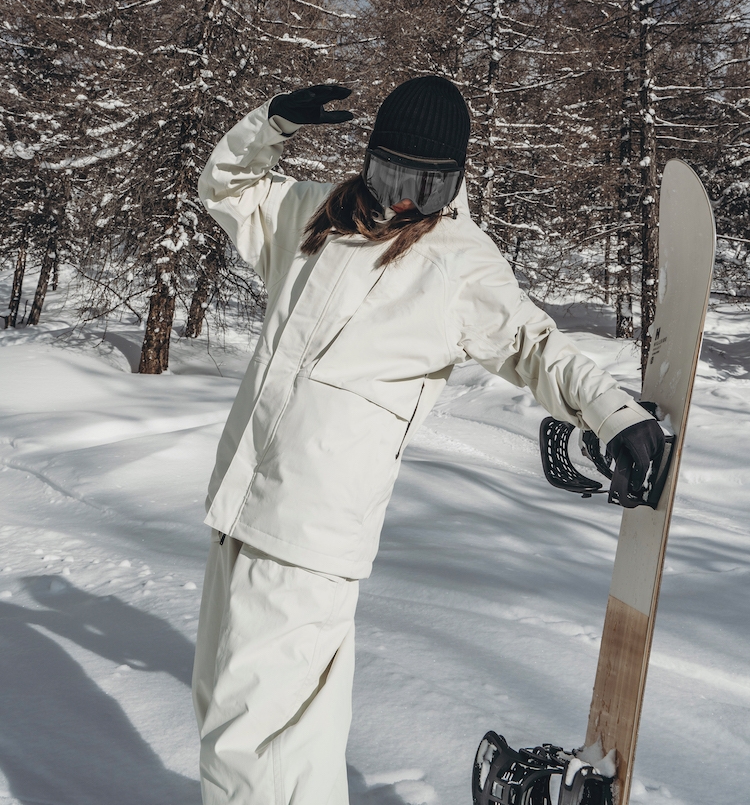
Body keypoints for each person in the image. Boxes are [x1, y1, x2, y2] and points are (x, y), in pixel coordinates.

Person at [192, 77, 663, 805]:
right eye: (393, 176)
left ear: (455, 182)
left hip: (309, 533)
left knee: (243, 739)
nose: (407, 199)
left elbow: (537, 347)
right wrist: (271, 124)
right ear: (370, 159)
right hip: (238, 506)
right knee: (279, 736)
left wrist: (615, 415)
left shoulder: (457, 261)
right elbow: (227, 188)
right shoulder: (316, 216)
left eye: (430, 185)